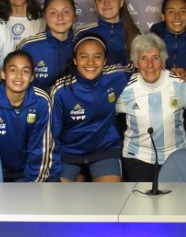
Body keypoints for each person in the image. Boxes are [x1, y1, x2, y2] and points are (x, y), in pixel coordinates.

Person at [50, 34, 132, 183]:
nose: (91, 62)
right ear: (75, 60)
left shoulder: (116, 76)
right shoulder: (61, 90)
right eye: (84, 56)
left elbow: (143, 67)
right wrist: (54, 168)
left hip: (104, 149)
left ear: (105, 61)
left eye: (97, 57)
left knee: (112, 196)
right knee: (58, 194)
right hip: (68, 152)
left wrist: (174, 70)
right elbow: (51, 134)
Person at [116, 33, 186, 181]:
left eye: (155, 58)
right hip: (137, 158)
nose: (150, 65)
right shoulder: (125, 89)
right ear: (135, 63)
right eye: (143, 58)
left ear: (163, 62)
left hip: (177, 156)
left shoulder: (180, 84)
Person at [0, 49, 59, 182]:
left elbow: (40, 147)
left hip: (28, 173)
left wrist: (32, 183)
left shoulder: (42, 101)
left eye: (25, 71)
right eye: (13, 70)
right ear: (3, 74)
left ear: (32, 77)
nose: (19, 76)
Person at [18, 0, 77, 91]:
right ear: (45, 16)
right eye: (53, 13)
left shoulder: (81, 46)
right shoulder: (29, 46)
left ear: (74, 15)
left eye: (66, 12)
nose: (60, 17)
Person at [75, 0, 141, 66]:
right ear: (95, 5)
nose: (106, 3)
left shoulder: (137, 33)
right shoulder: (82, 33)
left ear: (121, 2)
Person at [149, 0, 186, 72]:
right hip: (163, 79)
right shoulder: (155, 35)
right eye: (171, 12)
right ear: (163, 16)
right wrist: (169, 69)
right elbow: (147, 62)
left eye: (182, 11)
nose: (177, 16)